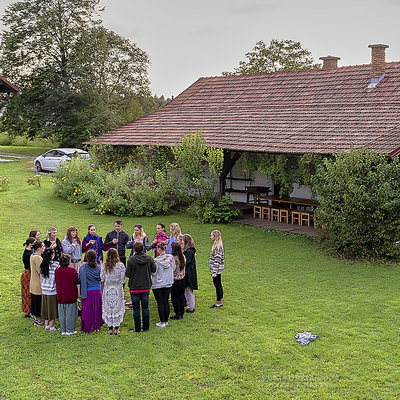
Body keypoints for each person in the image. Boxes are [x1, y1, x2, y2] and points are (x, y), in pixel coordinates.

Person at [125, 242, 156, 333]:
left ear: (134, 249)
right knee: (145, 308)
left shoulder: (131, 260)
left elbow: (128, 274)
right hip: (146, 286)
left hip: (135, 287)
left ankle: (137, 328)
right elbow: (154, 269)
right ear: (143, 249)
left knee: (136, 309)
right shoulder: (149, 258)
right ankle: (146, 328)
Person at [101, 248, 126, 335]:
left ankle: (110, 328)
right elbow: (123, 279)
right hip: (117, 288)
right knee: (117, 307)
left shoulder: (104, 265)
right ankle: (116, 328)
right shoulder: (121, 265)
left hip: (108, 288)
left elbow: (102, 278)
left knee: (109, 307)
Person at [78, 249, 102, 333]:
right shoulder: (99, 267)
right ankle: (96, 326)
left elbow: (79, 279)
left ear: (86, 258)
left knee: (87, 311)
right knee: (96, 310)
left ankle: (88, 326)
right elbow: (100, 278)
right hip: (97, 292)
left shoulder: (83, 267)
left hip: (87, 292)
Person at [152, 243, 175, 328]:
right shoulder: (171, 258)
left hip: (158, 283)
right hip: (168, 282)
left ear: (158, 250)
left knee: (160, 302)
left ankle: (162, 321)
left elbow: (154, 272)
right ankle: (166, 320)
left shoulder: (156, 260)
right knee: (166, 301)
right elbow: (174, 268)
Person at [55, 254, 79, 336]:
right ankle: (70, 329)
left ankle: (63, 329)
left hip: (60, 296)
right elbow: (76, 280)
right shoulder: (72, 270)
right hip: (70, 295)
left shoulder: (57, 271)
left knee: (62, 314)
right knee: (71, 314)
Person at [40, 249, 59, 331]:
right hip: (52, 290)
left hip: (44, 289)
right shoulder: (55, 265)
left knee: (46, 308)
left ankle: (46, 325)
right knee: (52, 309)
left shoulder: (42, 265)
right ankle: (51, 326)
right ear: (51, 256)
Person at [30, 241, 46, 326]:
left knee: (35, 301)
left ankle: (36, 319)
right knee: (38, 303)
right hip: (38, 284)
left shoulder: (32, 256)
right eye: (43, 246)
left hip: (33, 283)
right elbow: (40, 271)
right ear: (39, 248)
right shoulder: (38, 258)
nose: (44, 248)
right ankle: (39, 320)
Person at [170, 242, 186, 320]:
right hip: (182, 279)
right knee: (181, 296)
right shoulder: (183, 257)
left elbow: (172, 269)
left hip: (175, 280)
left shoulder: (173, 258)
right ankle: (181, 312)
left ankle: (177, 313)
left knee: (175, 297)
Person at [209, 230, 225, 308]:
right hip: (216, 269)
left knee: (218, 285)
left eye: (211, 235)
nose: (210, 237)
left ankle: (219, 302)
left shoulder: (218, 246)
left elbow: (217, 260)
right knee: (218, 285)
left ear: (215, 236)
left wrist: (214, 272)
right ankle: (220, 301)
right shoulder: (216, 245)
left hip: (217, 270)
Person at [183, 234, 198, 313]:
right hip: (188, 272)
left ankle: (191, 307)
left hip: (189, 273)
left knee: (189, 290)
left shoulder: (189, 251)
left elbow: (187, 262)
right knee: (187, 290)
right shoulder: (189, 250)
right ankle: (189, 306)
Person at [21, 237, 35, 317]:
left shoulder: (28, 251)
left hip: (28, 273)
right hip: (28, 274)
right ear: (30, 244)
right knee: (27, 293)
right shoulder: (28, 254)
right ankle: (28, 311)